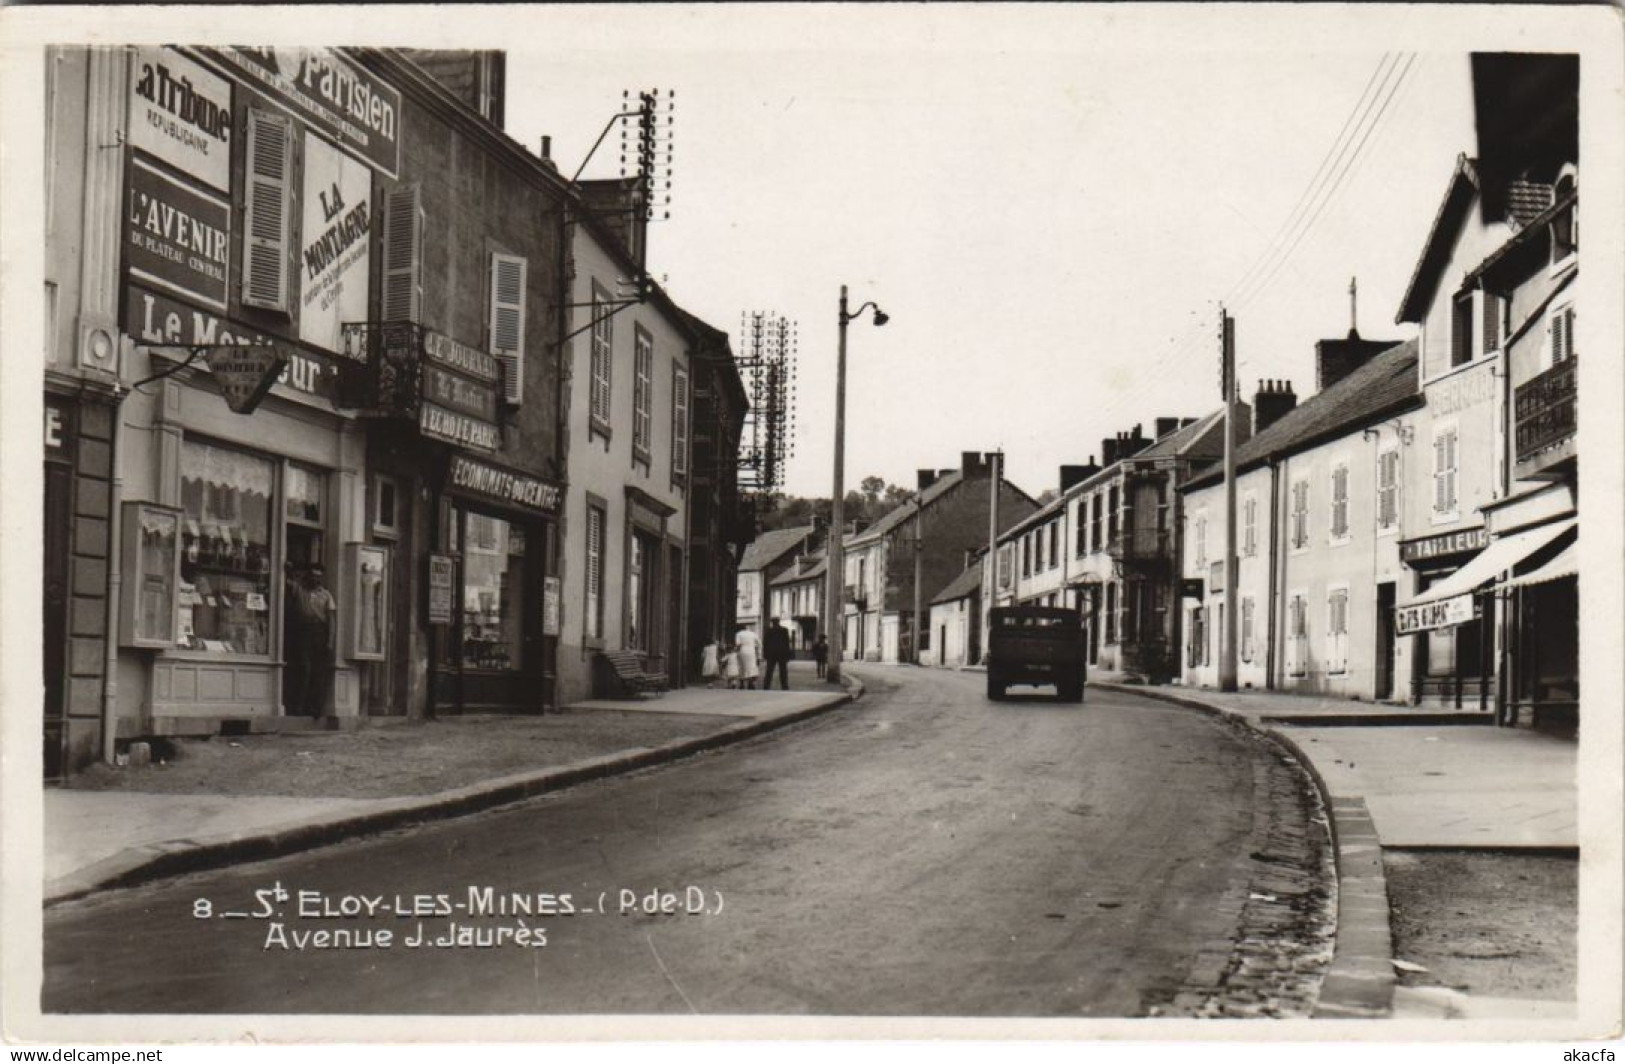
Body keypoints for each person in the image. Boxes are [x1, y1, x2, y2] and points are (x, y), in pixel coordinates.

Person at [284, 562, 337, 716]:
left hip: (319, 633)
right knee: (303, 669)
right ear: (309, 576)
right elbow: (286, 582)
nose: (316, 579)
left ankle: (314, 707)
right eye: (313, 576)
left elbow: (331, 619)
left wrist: (330, 641)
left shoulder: (326, 595)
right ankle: (299, 706)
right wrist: (289, 569)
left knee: (318, 672)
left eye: (319, 576)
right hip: (302, 633)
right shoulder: (300, 590)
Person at [762, 616, 792, 691]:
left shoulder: (769, 631)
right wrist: (788, 654)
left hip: (771, 653)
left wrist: (765, 654)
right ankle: (784, 685)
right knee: (783, 671)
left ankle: (766, 685)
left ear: (772, 622)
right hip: (782, 653)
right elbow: (787, 643)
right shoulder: (784, 630)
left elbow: (765, 643)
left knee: (769, 670)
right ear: (779, 622)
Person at [734, 623, 761, 690]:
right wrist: (758, 653)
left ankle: (742, 683)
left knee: (742, 666)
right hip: (751, 651)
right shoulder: (753, 633)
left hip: (742, 651)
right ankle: (750, 683)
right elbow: (759, 643)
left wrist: (736, 652)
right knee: (751, 667)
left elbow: (738, 644)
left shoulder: (738, 634)